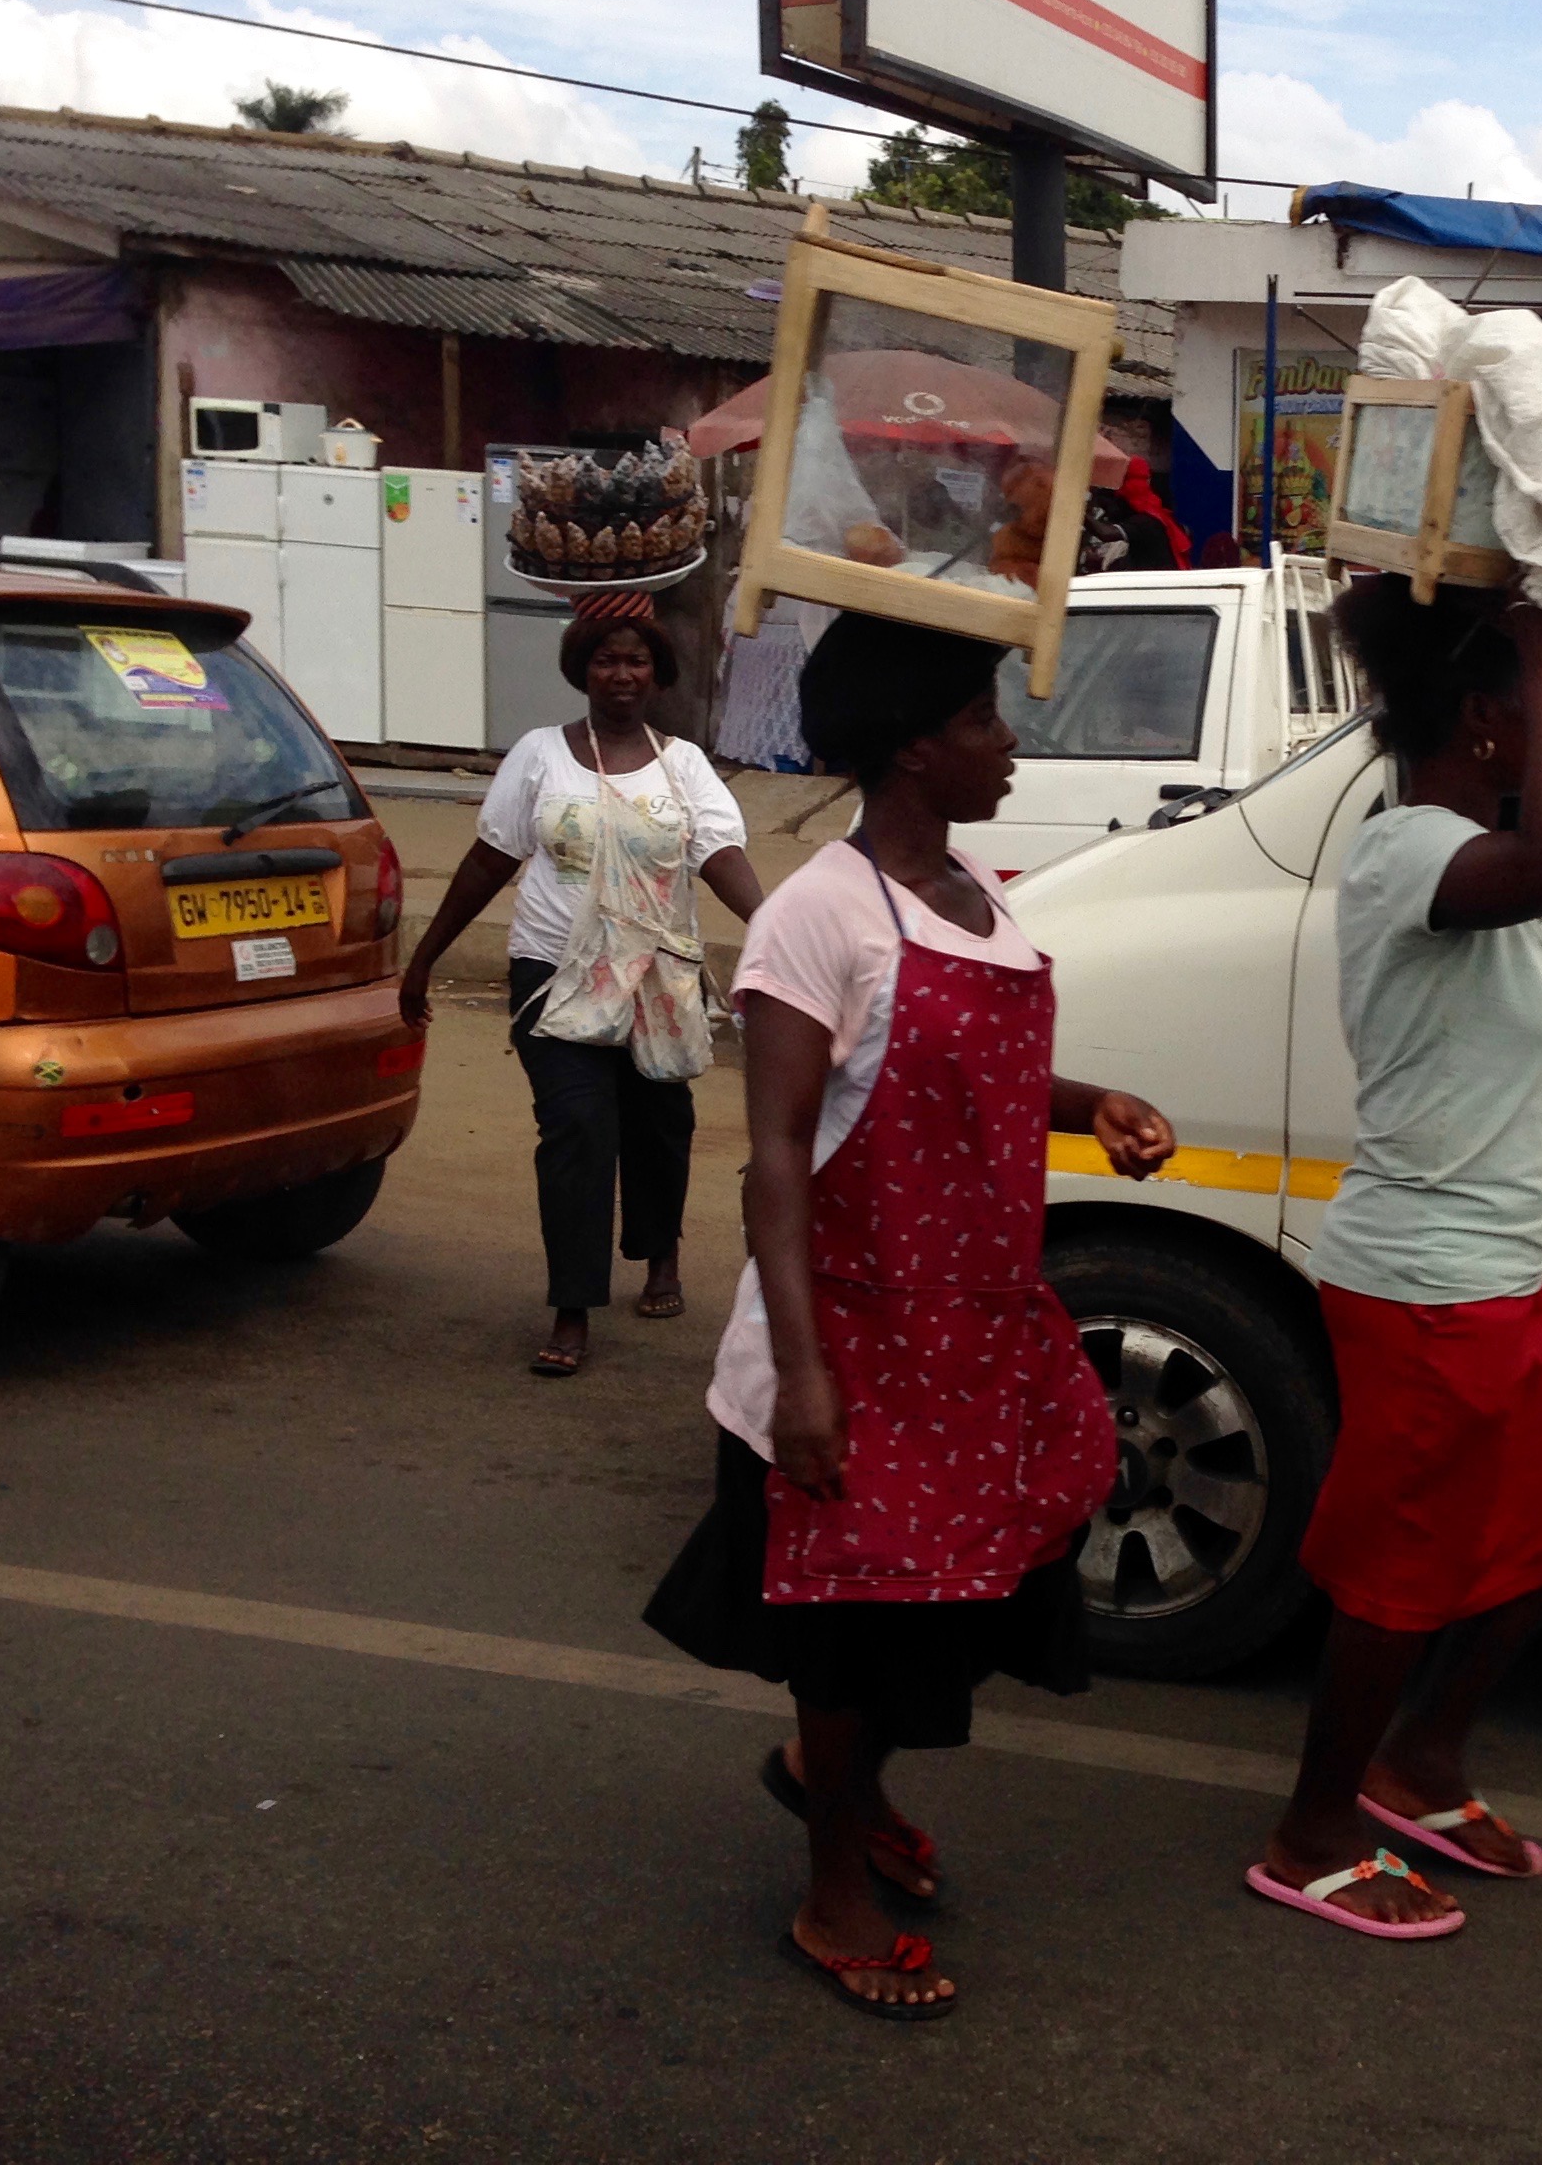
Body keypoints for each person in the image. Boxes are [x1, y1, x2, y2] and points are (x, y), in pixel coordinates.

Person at [644, 613, 1175, 2020]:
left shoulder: (976, 893)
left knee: (960, 1609)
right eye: (985, 718)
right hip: (853, 1344)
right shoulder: (821, 915)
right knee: (851, 1643)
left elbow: (975, 1076)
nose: (1009, 743)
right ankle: (831, 1894)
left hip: (973, 1338)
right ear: (914, 747)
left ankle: (837, 1787)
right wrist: (805, 1379)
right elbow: (775, 1157)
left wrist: (1093, 1104)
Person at [1249, 580, 1542, 1939]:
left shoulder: (1464, 856)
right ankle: (1313, 1830)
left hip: (1508, 1263)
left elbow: (1463, 1031)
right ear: (1491, 721)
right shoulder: (1412, 852)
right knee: (1401, 1576)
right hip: (1430, 1280)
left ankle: (1421, 1761)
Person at [397, 593, 762, 1377]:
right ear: (582, 670)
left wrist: (774, 926)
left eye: (636, 660)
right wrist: (424, 958)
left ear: (657, 673)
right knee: (576, 1129)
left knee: (659, 1121)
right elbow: (489, 859)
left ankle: (660, 1253)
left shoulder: (684, 766)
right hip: (554, 975)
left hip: (655, 978)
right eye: (606, 660)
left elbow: (720, 855)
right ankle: (573, 1304)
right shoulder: (540, 756)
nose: (621, 674)